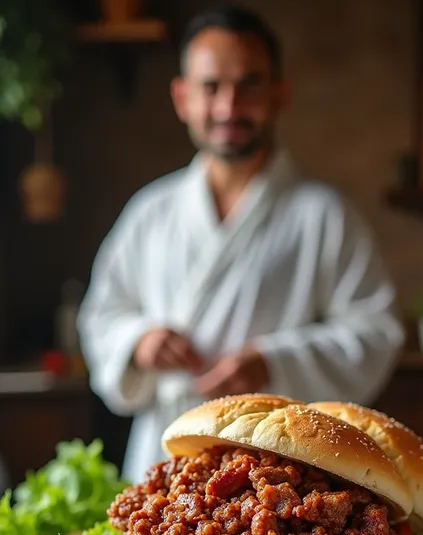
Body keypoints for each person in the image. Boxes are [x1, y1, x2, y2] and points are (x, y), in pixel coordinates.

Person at [77, 5, 405, 483]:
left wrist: (273, 362)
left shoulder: (325, 216)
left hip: (277, 469)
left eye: (249, 84)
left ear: (279, 93)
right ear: (182, 97)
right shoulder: (150, 213)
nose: (229, 107)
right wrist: (138, 343)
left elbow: (375, 333)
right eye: (211, 87)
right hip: (163, 451)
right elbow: (101, 317)